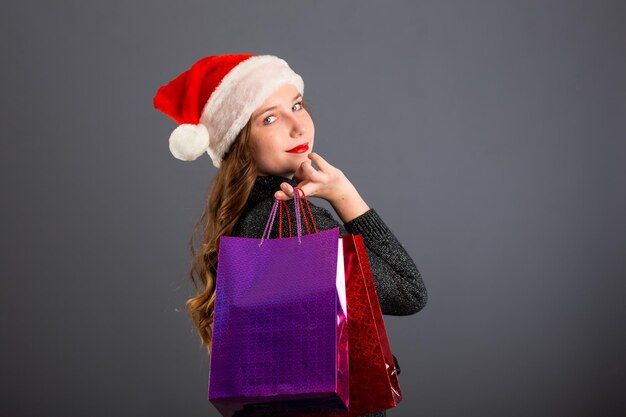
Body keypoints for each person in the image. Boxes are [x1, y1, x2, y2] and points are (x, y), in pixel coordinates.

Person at [153, 54, 428, 417]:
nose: (298, 127)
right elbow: (409, 292)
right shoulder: (287, 217)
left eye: (297, 106)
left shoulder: (246, 216)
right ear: (239, 143)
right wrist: (344, 194)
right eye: (270, 118)